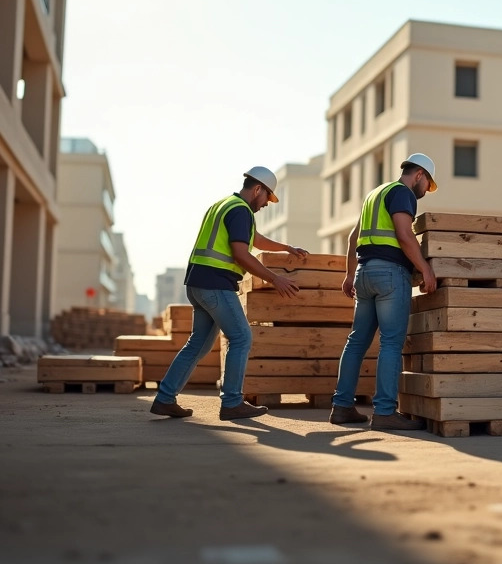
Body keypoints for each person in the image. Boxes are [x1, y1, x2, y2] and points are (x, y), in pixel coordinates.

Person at [150, 167, 306, 421]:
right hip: (216, 284)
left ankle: (165, 398)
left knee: (197, 345)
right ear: (257, 189)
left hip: (197, 284)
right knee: (241, 337)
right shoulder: (241, 210)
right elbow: (241, 254)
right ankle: (232, 402)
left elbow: (254, 239)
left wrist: (286, 248)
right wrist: (274, 278)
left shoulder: (223, 205)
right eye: (267, 197)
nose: (267, 203)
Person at [329, 153, 438, 431]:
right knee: (391, 343)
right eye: (427, 185)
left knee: (356, 342)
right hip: (390, 274)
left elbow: (354, 237)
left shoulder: (374, 195)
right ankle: (385, 412)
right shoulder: (403, 194)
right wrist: (425, 269)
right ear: (419, 176)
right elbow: (404, 233)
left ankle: (341, 408)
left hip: (363, 274)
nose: (425, 191)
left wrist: (347, 274)